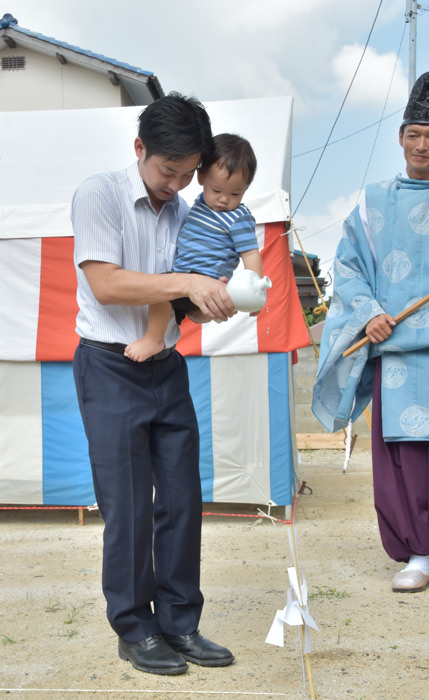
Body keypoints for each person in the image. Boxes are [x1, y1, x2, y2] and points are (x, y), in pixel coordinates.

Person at [71, 93, 237, 676]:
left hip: (166, 366)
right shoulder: (100, 194)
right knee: (130, 507)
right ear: (139, 149)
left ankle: (179, 622)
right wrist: (187, 282)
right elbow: (108, 286)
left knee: (182, 499)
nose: (177, 185)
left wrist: (212, 300)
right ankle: (134, 628)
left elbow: (184, 294)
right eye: (169, 172)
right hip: (109, 365)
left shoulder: (187, 210)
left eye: (189, 174)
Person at [312, 72, 429, 594]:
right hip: (394, 354)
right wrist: (368, 311)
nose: (421, 144)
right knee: (403, 459)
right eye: (413, 133)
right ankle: (417, 552)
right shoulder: (371, 202)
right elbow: (349, 267)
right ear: (400, 136)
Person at [124, 133, 262, 362]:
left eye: (235, 193)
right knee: (169, 298)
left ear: (246, 189)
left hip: (204, 279)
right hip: (185, 277)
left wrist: (255, 289)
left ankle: (153, 339)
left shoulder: (238, 218)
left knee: (160, 291)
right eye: (216, 190)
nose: (224, 200)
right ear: (201, 177)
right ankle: (163, 335)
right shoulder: (197, 204)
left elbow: (250, 253)